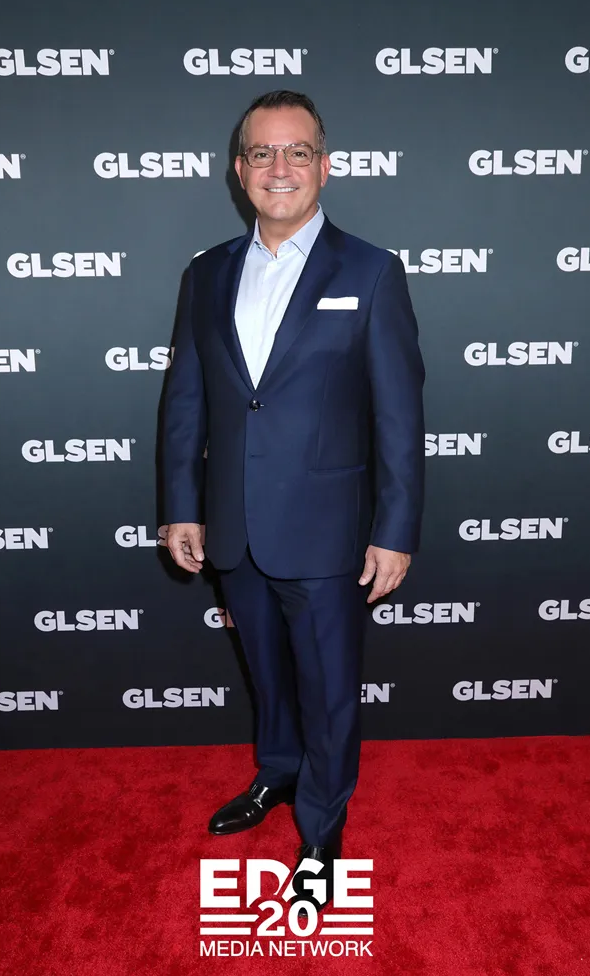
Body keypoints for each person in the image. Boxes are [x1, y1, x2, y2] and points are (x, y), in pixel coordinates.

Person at [162, 90, 425, 913]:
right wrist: (181, 505)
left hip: (327, 529)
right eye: (262, 153)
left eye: (298, 151)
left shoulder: (371, 271)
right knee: (267, 676)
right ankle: (276, 774)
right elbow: (185, 400)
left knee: (328, 687)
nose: (280, 168)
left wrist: (394, 529)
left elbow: (399, 414)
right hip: (233, 523)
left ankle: (321, 824)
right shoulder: (205, 273)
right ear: (239, 170)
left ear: (324, 166)